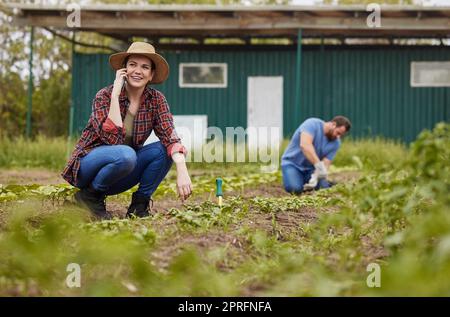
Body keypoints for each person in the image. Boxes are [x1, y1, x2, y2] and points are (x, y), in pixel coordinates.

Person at [62, 42, 193, 220]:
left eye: (145, 67)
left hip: (121, 170)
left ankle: (140, 204)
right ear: (124, 70)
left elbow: (170, 136)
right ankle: (89, 197)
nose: (138, 71)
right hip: (88, 166)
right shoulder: (104, 96)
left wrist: (182, 168)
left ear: (151, 74)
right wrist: (115, 96)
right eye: (132, 65)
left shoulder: (156, 100)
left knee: (163, 150)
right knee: (126, 154)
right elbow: (112, 140)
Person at [281, 116, 351, 194]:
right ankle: (295, 179)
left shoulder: (336, 143)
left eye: (341, 135)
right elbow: (305, 145)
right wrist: (318, 165)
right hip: (292, 164)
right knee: (294, 189)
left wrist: (316, 177)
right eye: (338, 133)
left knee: (323, 188)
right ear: (333, 124)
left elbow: (326, 163)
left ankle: (324, 184)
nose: (338, 137)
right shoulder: (312, 124)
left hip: (310, 169)